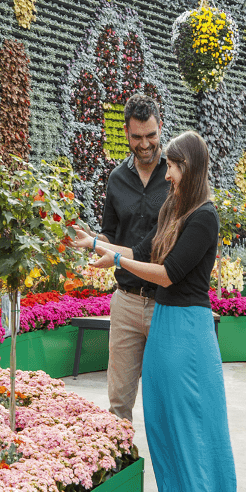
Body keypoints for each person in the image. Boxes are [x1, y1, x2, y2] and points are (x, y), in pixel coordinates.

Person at [73, 131, 236, 492]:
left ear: (190, 168)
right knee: (163, 427)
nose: (168, 173)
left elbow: (167, 273)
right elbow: (140, 253)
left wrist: (117, 261)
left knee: (193, 429)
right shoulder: (172, 209)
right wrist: (94, 244)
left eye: (174, 166)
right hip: (165, 326)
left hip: (188, 332)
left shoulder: (204, 216)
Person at [98, 94, 170, 424]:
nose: (145, 144)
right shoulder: (117, 178)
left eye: (151, 135)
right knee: (118, 402)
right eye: (137, 136)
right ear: (126, 132)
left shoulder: (175, 175)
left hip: (166, 302)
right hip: (126, 301)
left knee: (167, 399)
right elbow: (109, 235)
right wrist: (88, 242)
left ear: (161, 127)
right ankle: (122, 454)